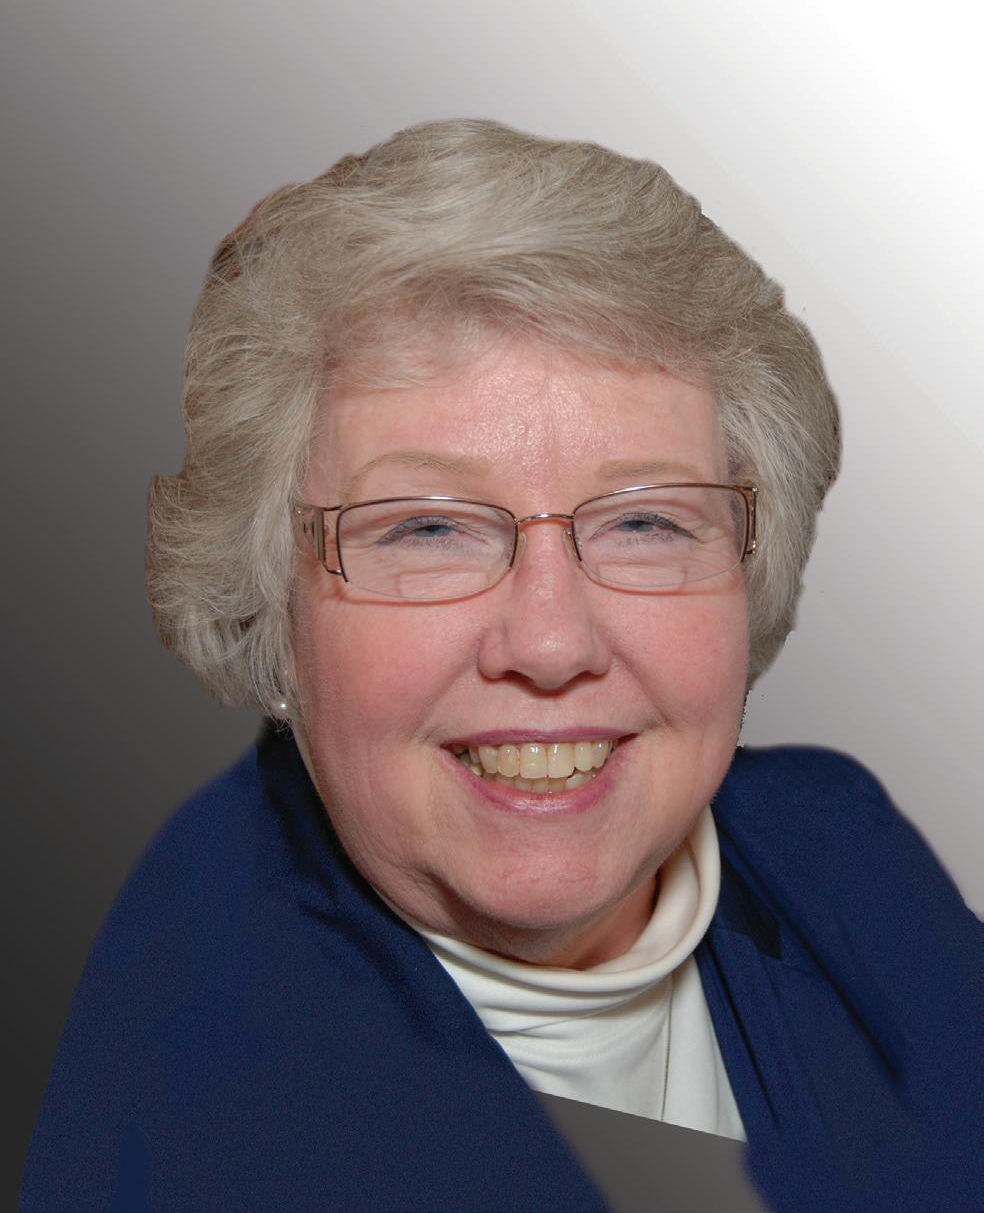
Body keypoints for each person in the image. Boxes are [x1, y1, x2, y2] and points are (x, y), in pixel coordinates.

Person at [22, 120, 982, 1212]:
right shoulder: (180, 1094)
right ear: (271, 612)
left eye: (646, 521)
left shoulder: (845, 857)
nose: (551, 641)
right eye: (429, 527)